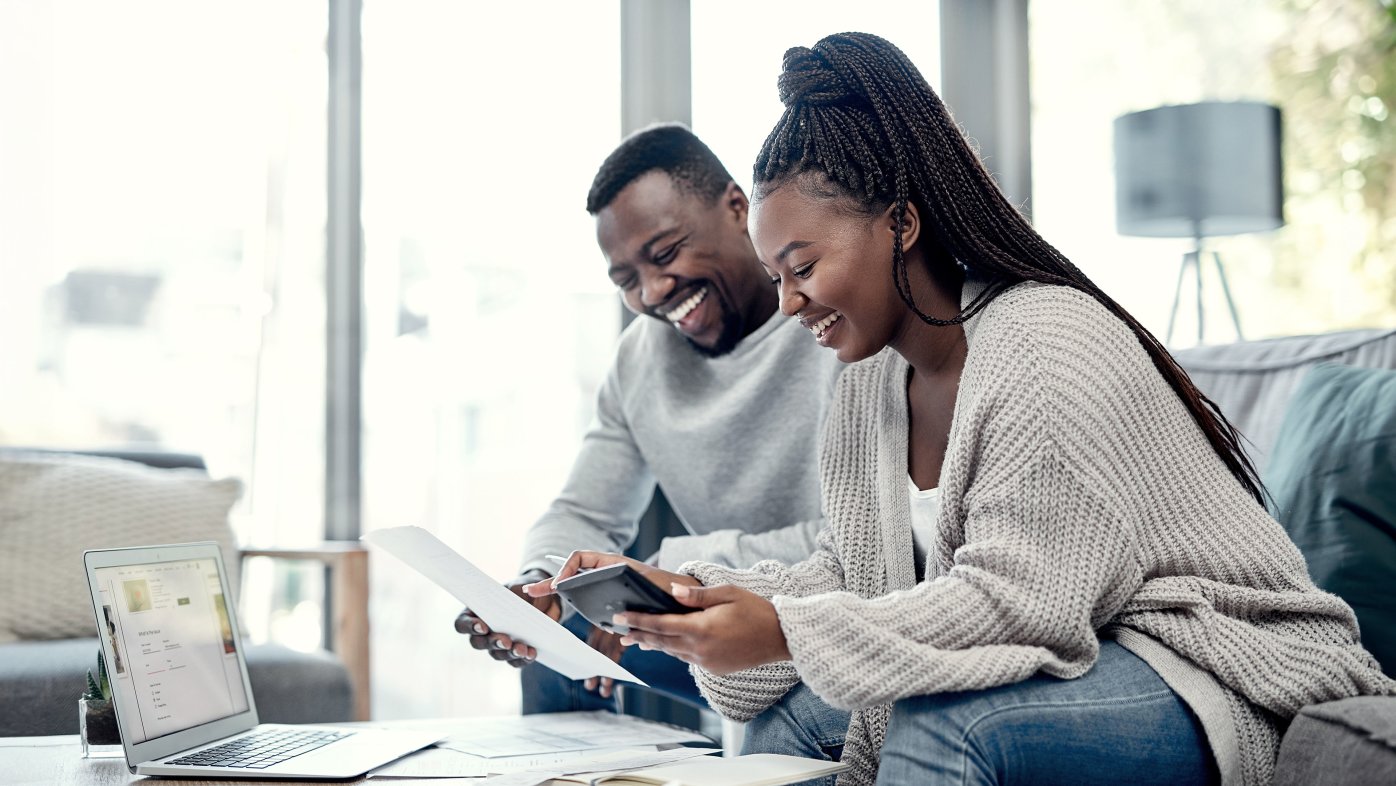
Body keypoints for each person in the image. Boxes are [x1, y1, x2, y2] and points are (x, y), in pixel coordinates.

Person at [531, 33, 1396, 786]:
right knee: (785, 720)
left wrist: (785, 629)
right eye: (778, 276)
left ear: (900, 223)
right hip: (1083, 647)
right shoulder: (870, 381)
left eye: (802, 266)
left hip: (1205, 658)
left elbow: (1019, 605)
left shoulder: (1046, 343)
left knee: (944, 723)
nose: (790, 304)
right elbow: (855, 569)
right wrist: (698, 595)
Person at [453, 124, 844, 714]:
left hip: (817, 615)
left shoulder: (836, 322)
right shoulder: (640, 359)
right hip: (701, 608)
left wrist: (667, 574)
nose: (654, 290)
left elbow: (858, 544)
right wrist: (538, 589)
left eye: (665, 254)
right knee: (557, 648)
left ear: (737, 208)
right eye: (626, 280)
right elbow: (583, 511)